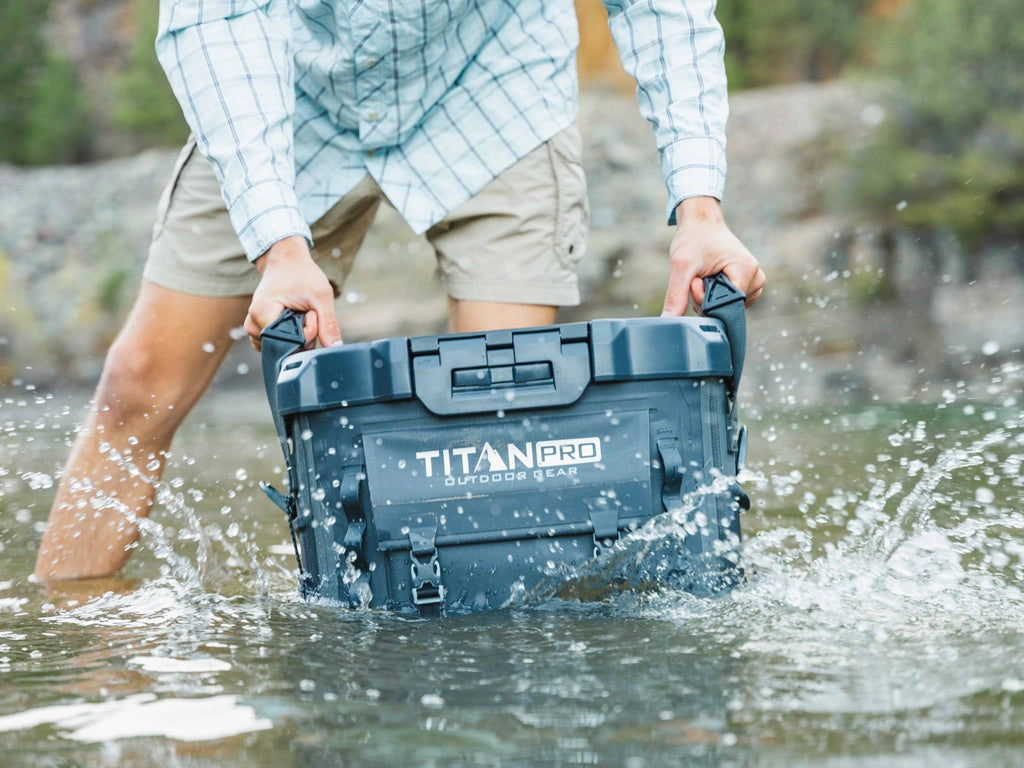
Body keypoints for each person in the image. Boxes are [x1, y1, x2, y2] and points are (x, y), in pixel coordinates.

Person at [34, 0, 765, 581]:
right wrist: (279, 246)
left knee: (504, 434)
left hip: (491, 86)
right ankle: (69, 654)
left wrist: (700, 208)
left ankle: (487, 676)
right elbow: (216, 23)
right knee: (135, 389)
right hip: (289, 96)